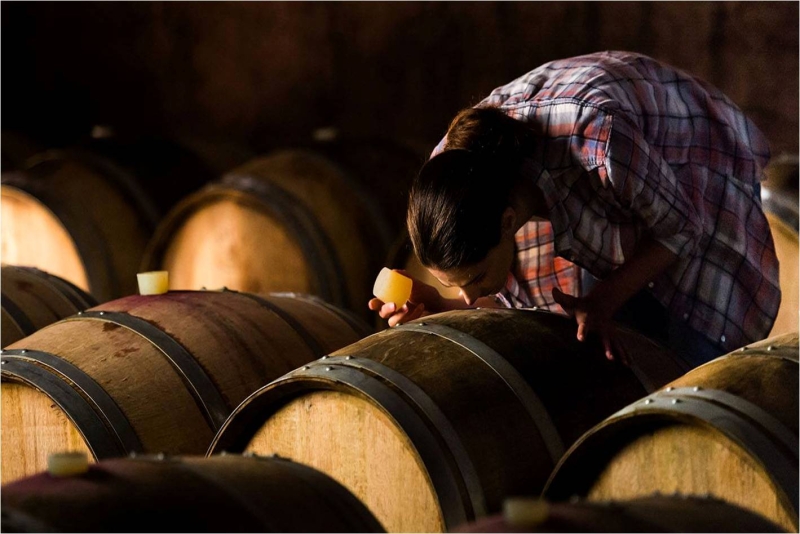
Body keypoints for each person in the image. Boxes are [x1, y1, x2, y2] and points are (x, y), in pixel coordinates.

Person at [369, 51, 781, 368]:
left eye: (474, 278)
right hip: (585, 178)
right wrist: (442, 307)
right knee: (582, 346)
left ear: (508, 220)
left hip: (684, 147)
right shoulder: (452, 173)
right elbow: (514, 302)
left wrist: (604, 299)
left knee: (691, 356)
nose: (468, 294)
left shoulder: (596, 138)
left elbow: (682, 228)